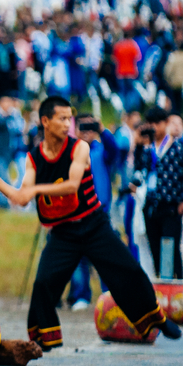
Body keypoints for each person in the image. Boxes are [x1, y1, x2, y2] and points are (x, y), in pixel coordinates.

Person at [0, 96, 182, 350]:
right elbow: (19, 197)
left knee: (128, 271)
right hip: (63, 233)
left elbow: (72, 185)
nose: (66, 124)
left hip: (94, 225)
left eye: (68, 119)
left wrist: (35, 189)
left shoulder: (79, 148)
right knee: (43, 284)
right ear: (45, 121)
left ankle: (157, 318)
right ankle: (42, 339)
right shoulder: (34, 158)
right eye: (61, 119)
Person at [133, 107, 183, 280]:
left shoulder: (179, 145)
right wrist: (138, 146)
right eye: (150, 123)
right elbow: (138, 170)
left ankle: (176, 282)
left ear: (166, 123)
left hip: (172, 203)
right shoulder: (147, 147)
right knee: (155, 245)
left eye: (157, 123)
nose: (154, 127)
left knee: (171, 245)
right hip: (151, 203)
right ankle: (161, 281)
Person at [67, 114, 119, 310]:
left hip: (100, 209)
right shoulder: (71, 152)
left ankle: (108, 293)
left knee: (103, 253)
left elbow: (114, 151)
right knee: (79, 254)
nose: (87, 131)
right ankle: (80, 294)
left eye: (91, 127)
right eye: (83, 127)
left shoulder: (101, 151)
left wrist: (102, 130)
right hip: (76, 209)